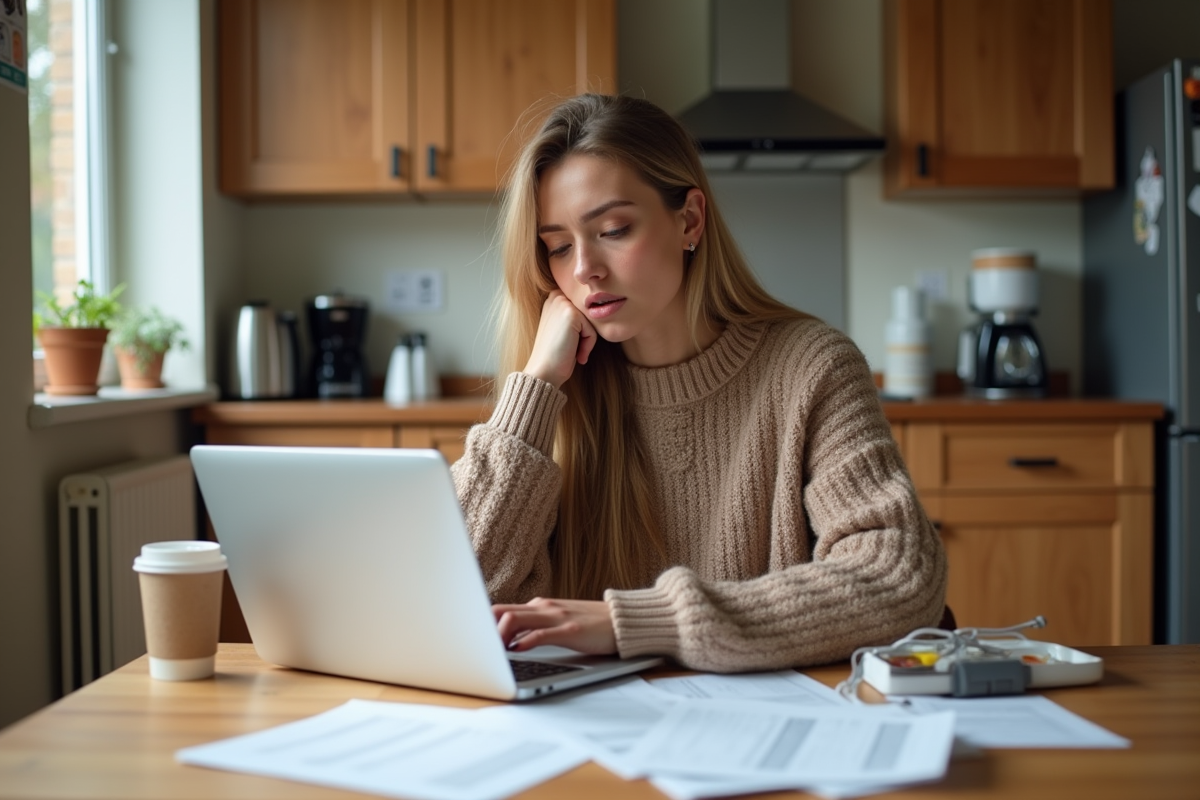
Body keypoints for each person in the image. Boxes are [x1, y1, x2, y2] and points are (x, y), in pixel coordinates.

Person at [450, 93, 947, 673]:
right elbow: (455, 597)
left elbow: (898, 575)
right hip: (598, 733)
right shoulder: (562, 399)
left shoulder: (813, 367)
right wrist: (534, 388)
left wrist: (636, 622)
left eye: (612, 229)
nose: (583, 268)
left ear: (689, 220)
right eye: (558, 246)